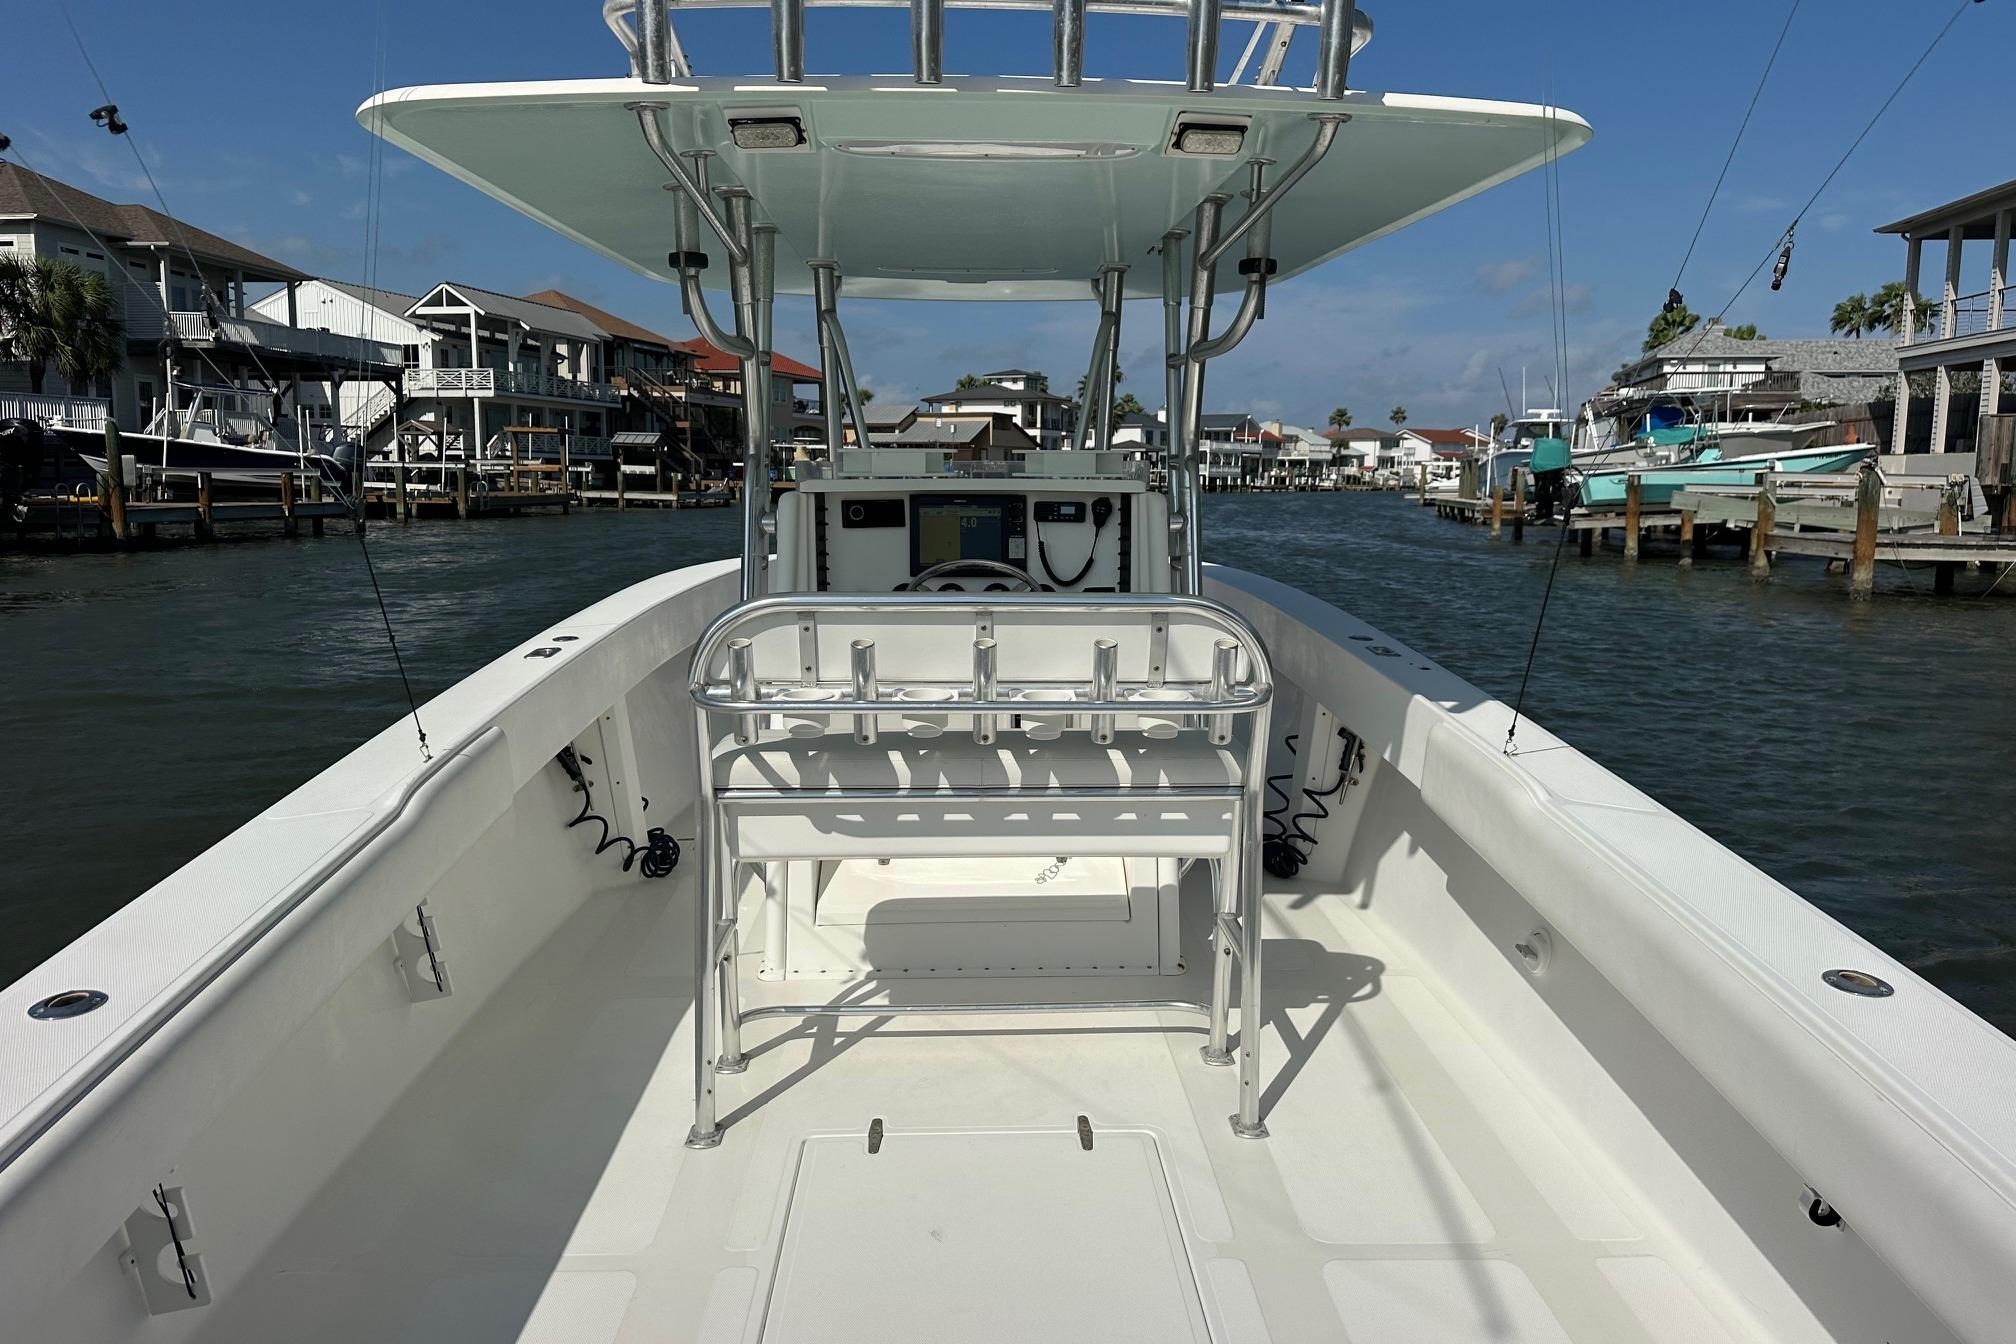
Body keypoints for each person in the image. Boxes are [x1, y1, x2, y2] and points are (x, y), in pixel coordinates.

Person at [1529, 434, 1570, 522]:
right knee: (1545, 490)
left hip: (1543, 470)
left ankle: (1544, 511)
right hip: (1548, 471)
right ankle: (1545, 512)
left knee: (1544, 490)